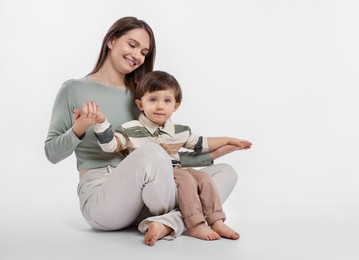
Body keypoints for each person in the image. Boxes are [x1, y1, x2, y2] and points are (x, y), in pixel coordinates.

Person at [44, 16, 243, 246]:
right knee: (152, 152)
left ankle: (164, 224)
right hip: (102, 196)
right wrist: (77, 130)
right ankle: (181, 220)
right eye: (132, 45)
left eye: (144, 52)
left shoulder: (143, 96)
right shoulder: (74, 89)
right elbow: (52, 153)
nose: (138, 56)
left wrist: (213, 154)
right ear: (111, 41)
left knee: (226, 172)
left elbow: (167, 156)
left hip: (151, 194)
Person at [92, 70, 252, 241]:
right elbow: (111, 146)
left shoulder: (180, 131)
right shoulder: (130, 128)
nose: (160, 106)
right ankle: (196, 225)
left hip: (177, 171)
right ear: (140, 104)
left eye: (167, 101)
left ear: (175, 106)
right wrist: (101, 123)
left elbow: (202, 144)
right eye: (153, 100)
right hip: (157, 178)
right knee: (185, 177)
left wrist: (229, 140)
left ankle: (216, 220)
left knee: (204, 178)